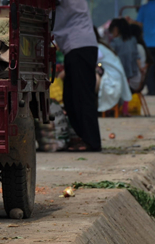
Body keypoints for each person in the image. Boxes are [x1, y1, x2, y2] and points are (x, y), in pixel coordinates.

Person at [53, 0, 102, 151]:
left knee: (82, 96)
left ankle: (92, 141)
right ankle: (84, 137)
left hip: (79, 45)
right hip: (76, 46)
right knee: (71, 97)